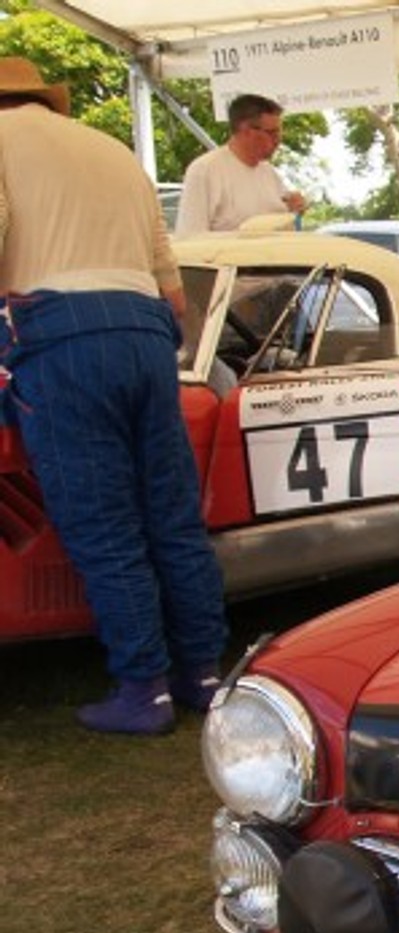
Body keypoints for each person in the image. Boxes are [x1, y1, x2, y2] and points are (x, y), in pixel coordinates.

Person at [0, 58, 227, 734]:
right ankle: (204, 673)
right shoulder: (111, 149)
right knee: (173, 518)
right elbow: (172, 282)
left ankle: (143, 689)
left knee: (104, 525)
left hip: (61, 332)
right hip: (146, 332)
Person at [174, 93, 307, 236]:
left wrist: (295, 208)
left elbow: (283, 223)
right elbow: (190, 237)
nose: (278, 140)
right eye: (272, 133)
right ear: (246, 131)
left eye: (279, 132)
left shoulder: (269, 172)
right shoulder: (205, 170)